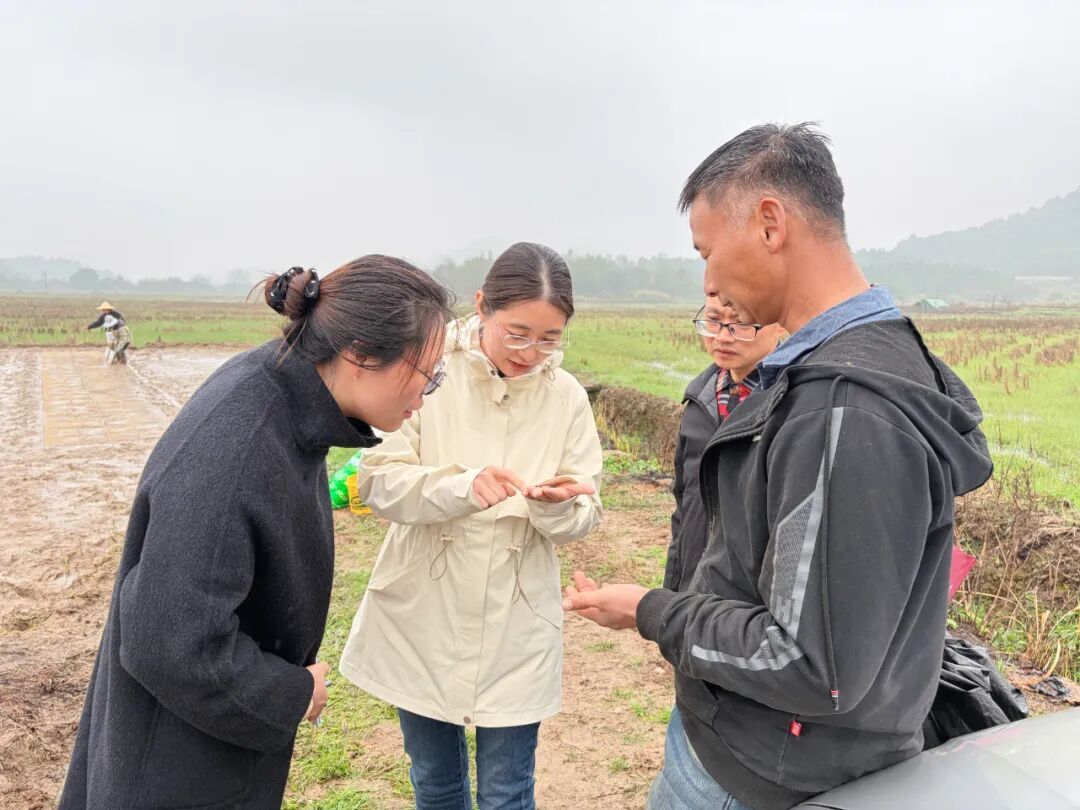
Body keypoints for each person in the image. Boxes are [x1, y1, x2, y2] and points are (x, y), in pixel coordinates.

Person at [563, 124, 993, 810]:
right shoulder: (877, 362)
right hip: (801, 752)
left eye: (707, 251)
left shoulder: (843, 409)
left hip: (758, 765)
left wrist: (652, 610)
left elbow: (808, 664)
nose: (709, 281)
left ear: (769, 223)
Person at [58, 258, 454, 809]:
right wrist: (292, 694)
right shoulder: (238, 447)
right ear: (361, 354)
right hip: (171, 773)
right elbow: (167, 640)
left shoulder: (288, 399)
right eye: (426, 372)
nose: (429, 391)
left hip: (204, 753)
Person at [339, 242, 603, 810]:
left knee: (508, 792)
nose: (532, 352)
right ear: (483, 306)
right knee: (435, 785)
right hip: (424, 609)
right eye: (517, 332)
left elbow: (586, 508)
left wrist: (555, 505)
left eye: (549, 338)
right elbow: (375, 481)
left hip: (517, 617)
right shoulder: (428, 373)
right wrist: (461, 487)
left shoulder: (567, 398)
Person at [666, 296, 783, 595]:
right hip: (694, 588)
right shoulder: (698, 402)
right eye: (715, 322)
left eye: (741, 324)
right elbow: (685, 508)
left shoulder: (791, 405)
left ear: (780, 323)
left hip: (751, 604)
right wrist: (673, 592)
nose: (722, 337)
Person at [87, 301, 132, 365]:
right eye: (103, 309)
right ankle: (119, 363)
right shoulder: (103, 317)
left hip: (123, 333)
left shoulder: (116, 315)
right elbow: (98, 323)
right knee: (117, 348)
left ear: (109, 309)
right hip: (117, 334)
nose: (103, 310)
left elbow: (121, 323)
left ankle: (123, 363)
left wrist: (114, 328)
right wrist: (90, 326)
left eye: (105, 309)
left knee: (119, 349)